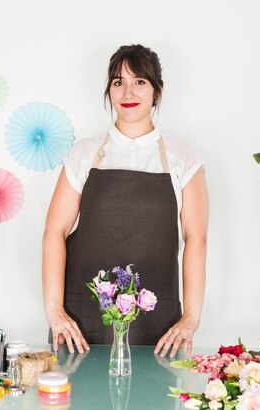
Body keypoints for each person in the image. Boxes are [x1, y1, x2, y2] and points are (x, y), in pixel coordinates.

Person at [42, 44, 208, 358]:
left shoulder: (183, 156)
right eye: (118, 82)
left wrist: (191, 317)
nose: (127, 91)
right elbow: (54, 231)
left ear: (157, 91)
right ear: (109, 90)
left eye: (139, 82)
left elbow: (196, 238)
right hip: (83, 321)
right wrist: (55, 310)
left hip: (158, 323)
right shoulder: (85, 152)